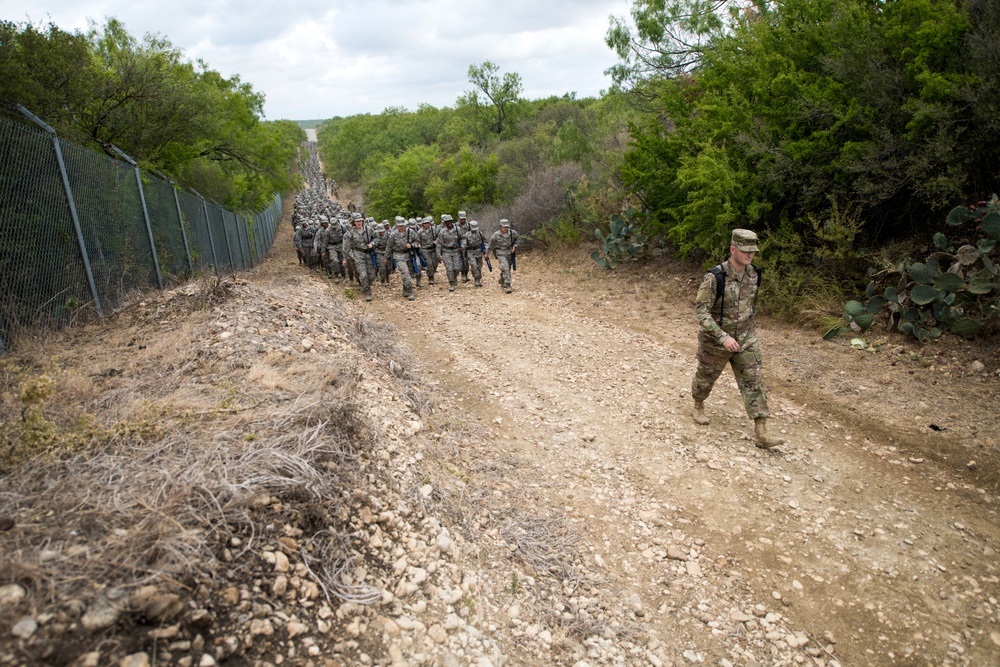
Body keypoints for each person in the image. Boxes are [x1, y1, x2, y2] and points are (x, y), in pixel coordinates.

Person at [691, 228, 784, 449]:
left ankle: (761, 432)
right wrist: (722, 337)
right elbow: (701, 311)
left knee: (753, 381)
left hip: (746, 339)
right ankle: (698, 404)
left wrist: (749, 333)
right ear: (733, 249)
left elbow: (751, 305)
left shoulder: (755, 274)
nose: (750, 255)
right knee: (706, 378)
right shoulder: (715, 277)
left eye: (753, 251)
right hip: (716, 341)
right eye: (745, 251)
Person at [342, 212, 374, 301]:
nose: (359, 223)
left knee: (371, 275)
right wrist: (345, 258)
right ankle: (367, 292)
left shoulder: (369, 230)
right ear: (354, 222)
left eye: (360, 221)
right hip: (358, 255)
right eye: (357, 221)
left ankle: (366, 285)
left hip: (368, 254)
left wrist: (372, 243)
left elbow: (376, 238)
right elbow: (346, 247)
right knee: (363, 275)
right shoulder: (350, 233)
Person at [485, 219, 519, 293]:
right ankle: (508, 285)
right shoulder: (496, 235)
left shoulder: (512, 233)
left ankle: (502, 279)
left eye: (507, 227)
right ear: (500, 226)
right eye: (504, 227)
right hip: (500, 253)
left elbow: (517, 239)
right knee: (505, 267)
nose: (505, 228)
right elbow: (491, 244)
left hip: (509, 253)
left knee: (508, 268)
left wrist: (514, 246)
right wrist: (486, 253)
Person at [387, 218, 417, 300]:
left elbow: (417, 242)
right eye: (399, 226)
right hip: (398, 255)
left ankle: (405, 289)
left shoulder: (410, 232)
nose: (401, 228)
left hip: (409, 255)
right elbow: (389, 246)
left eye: (403, 226)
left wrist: (411, 245)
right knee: (405, 272)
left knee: (409, 274)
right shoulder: (393, 234)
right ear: (396, 226)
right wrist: (386, 257)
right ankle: (410, 292)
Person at [437, 214, 462, 292]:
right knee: (449, 268)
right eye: (447, 222)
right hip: (446, 251)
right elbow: (439, 244)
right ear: (444, 223)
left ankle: (454, 277)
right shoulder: (442, 232)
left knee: (457, 268)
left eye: (450, 221)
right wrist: (438, 254)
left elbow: (463, 238)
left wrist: (463, 245)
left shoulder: (458, 229)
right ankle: (452, 283)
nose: (449, 223)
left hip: (456, 251)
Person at [461, 220, 488, 287]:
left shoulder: (480, 234)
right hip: (470, 252)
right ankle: (476, 280)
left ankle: (478, 278)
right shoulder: (467, 235)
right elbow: (464, 243)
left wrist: (486, 250)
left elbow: (485, 242)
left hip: (478, 251)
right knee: (473, 265)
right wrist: (462, 247)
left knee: (479, 266)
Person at [417, 218, 439, 285]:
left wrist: (436, 241)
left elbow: (439, 237)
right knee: (429, 264)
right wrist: (418, 245)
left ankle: (433, 272)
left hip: (433, 249)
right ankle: (430, 278)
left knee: (435, 263)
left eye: (428, 223)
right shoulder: (420, 232)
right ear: (422, 224)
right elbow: (417, 240)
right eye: (425, 223)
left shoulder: (434, 230)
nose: (427, 225)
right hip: (424, 249)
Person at [456, 211, 471, 283]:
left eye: (464, 219)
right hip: (459, 246)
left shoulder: (469, 225)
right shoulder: (455, 226)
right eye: (461, 219)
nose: (463, 220)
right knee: (462, 260)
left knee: (467, 261)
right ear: (458, 218)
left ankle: (466, 274)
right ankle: (463, 274)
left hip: (468, 246)